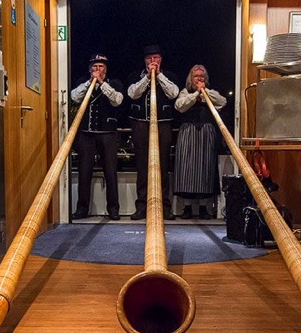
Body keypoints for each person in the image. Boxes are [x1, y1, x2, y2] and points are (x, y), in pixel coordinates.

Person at [127, 45, 179, 220]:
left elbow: (173, 94)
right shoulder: (135, 76)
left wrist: (159, 76)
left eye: (156, 58)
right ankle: (142, 206)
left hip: (163, 125)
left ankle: (164, 207)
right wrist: (148, 77)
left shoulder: (169, 76)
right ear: (145, 61)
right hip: (141, 124)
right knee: (142, 166)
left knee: (163, 166)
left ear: (160, 60)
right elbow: (132, 94)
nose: (153, 61)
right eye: (149, 59)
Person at [71, 53, 124, 221]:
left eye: (101, 67)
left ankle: (113, 209)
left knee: (110, 172)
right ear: (90, 69)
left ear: (105, 70)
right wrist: (90, 82)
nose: (97, 69)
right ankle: (82, 209)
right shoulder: (83, 82)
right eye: (94, 66)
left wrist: (101, 83)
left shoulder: (114, 83)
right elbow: (74, 97)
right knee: (84, 171)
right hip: (86, 134)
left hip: (107, 133)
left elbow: (117, 100)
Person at [174, 64, 227, 219]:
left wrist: (205, 92)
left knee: (205, 168)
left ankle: (204, 207)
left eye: (202, 76)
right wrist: (196, 93)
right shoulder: (185, 92)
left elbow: (222, 102)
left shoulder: (211, 92)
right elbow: (180, 106)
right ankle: (187, 207)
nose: (199, 79)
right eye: (196, 76)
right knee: (186, 169)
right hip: (188, 132)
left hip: (205, 133)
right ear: (191, 78)